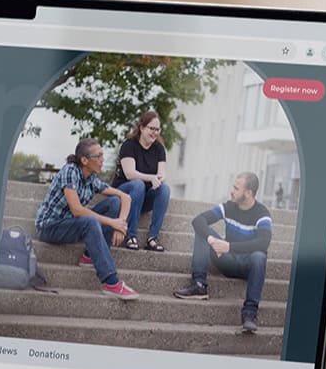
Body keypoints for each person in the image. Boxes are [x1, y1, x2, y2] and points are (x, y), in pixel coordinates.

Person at [33, 137, 139, 299]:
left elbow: (125, 197)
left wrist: (121, 226)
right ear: (84, 160)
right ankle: (112, 282)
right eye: (99, 156)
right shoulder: (70, 171)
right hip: (49, 227)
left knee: (113, 203)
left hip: (70, 224)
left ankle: (90, 256)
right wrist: (113, 222)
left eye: (103, 155)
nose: (103, 160)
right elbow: (77, 210)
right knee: (90, 221)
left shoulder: (91, 179)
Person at [173, 171, 271, 333]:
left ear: (248, 193)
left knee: (259, 256)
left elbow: (264, 242)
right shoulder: (229, 207)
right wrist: (212, 240)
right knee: (203, 232)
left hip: (247, 266)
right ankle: (199, 285)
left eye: (236, 188)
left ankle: (249, 313)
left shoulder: (262, 213)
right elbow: (198, 220)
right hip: (227, 260)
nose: (232, 191)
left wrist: (229, 246)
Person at [112, 109, 172, 252]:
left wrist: (159, 178)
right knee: (138, 185)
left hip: (143, 198)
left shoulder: (159, 149)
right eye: (151, 128)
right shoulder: (129, 145)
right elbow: (129, 174)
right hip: (124, 195)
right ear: (142, 128)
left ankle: (152, 238)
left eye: (157, 129)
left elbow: (161, 173)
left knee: (165, 189)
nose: (155, 132)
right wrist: (151, 178)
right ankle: (131, 236)